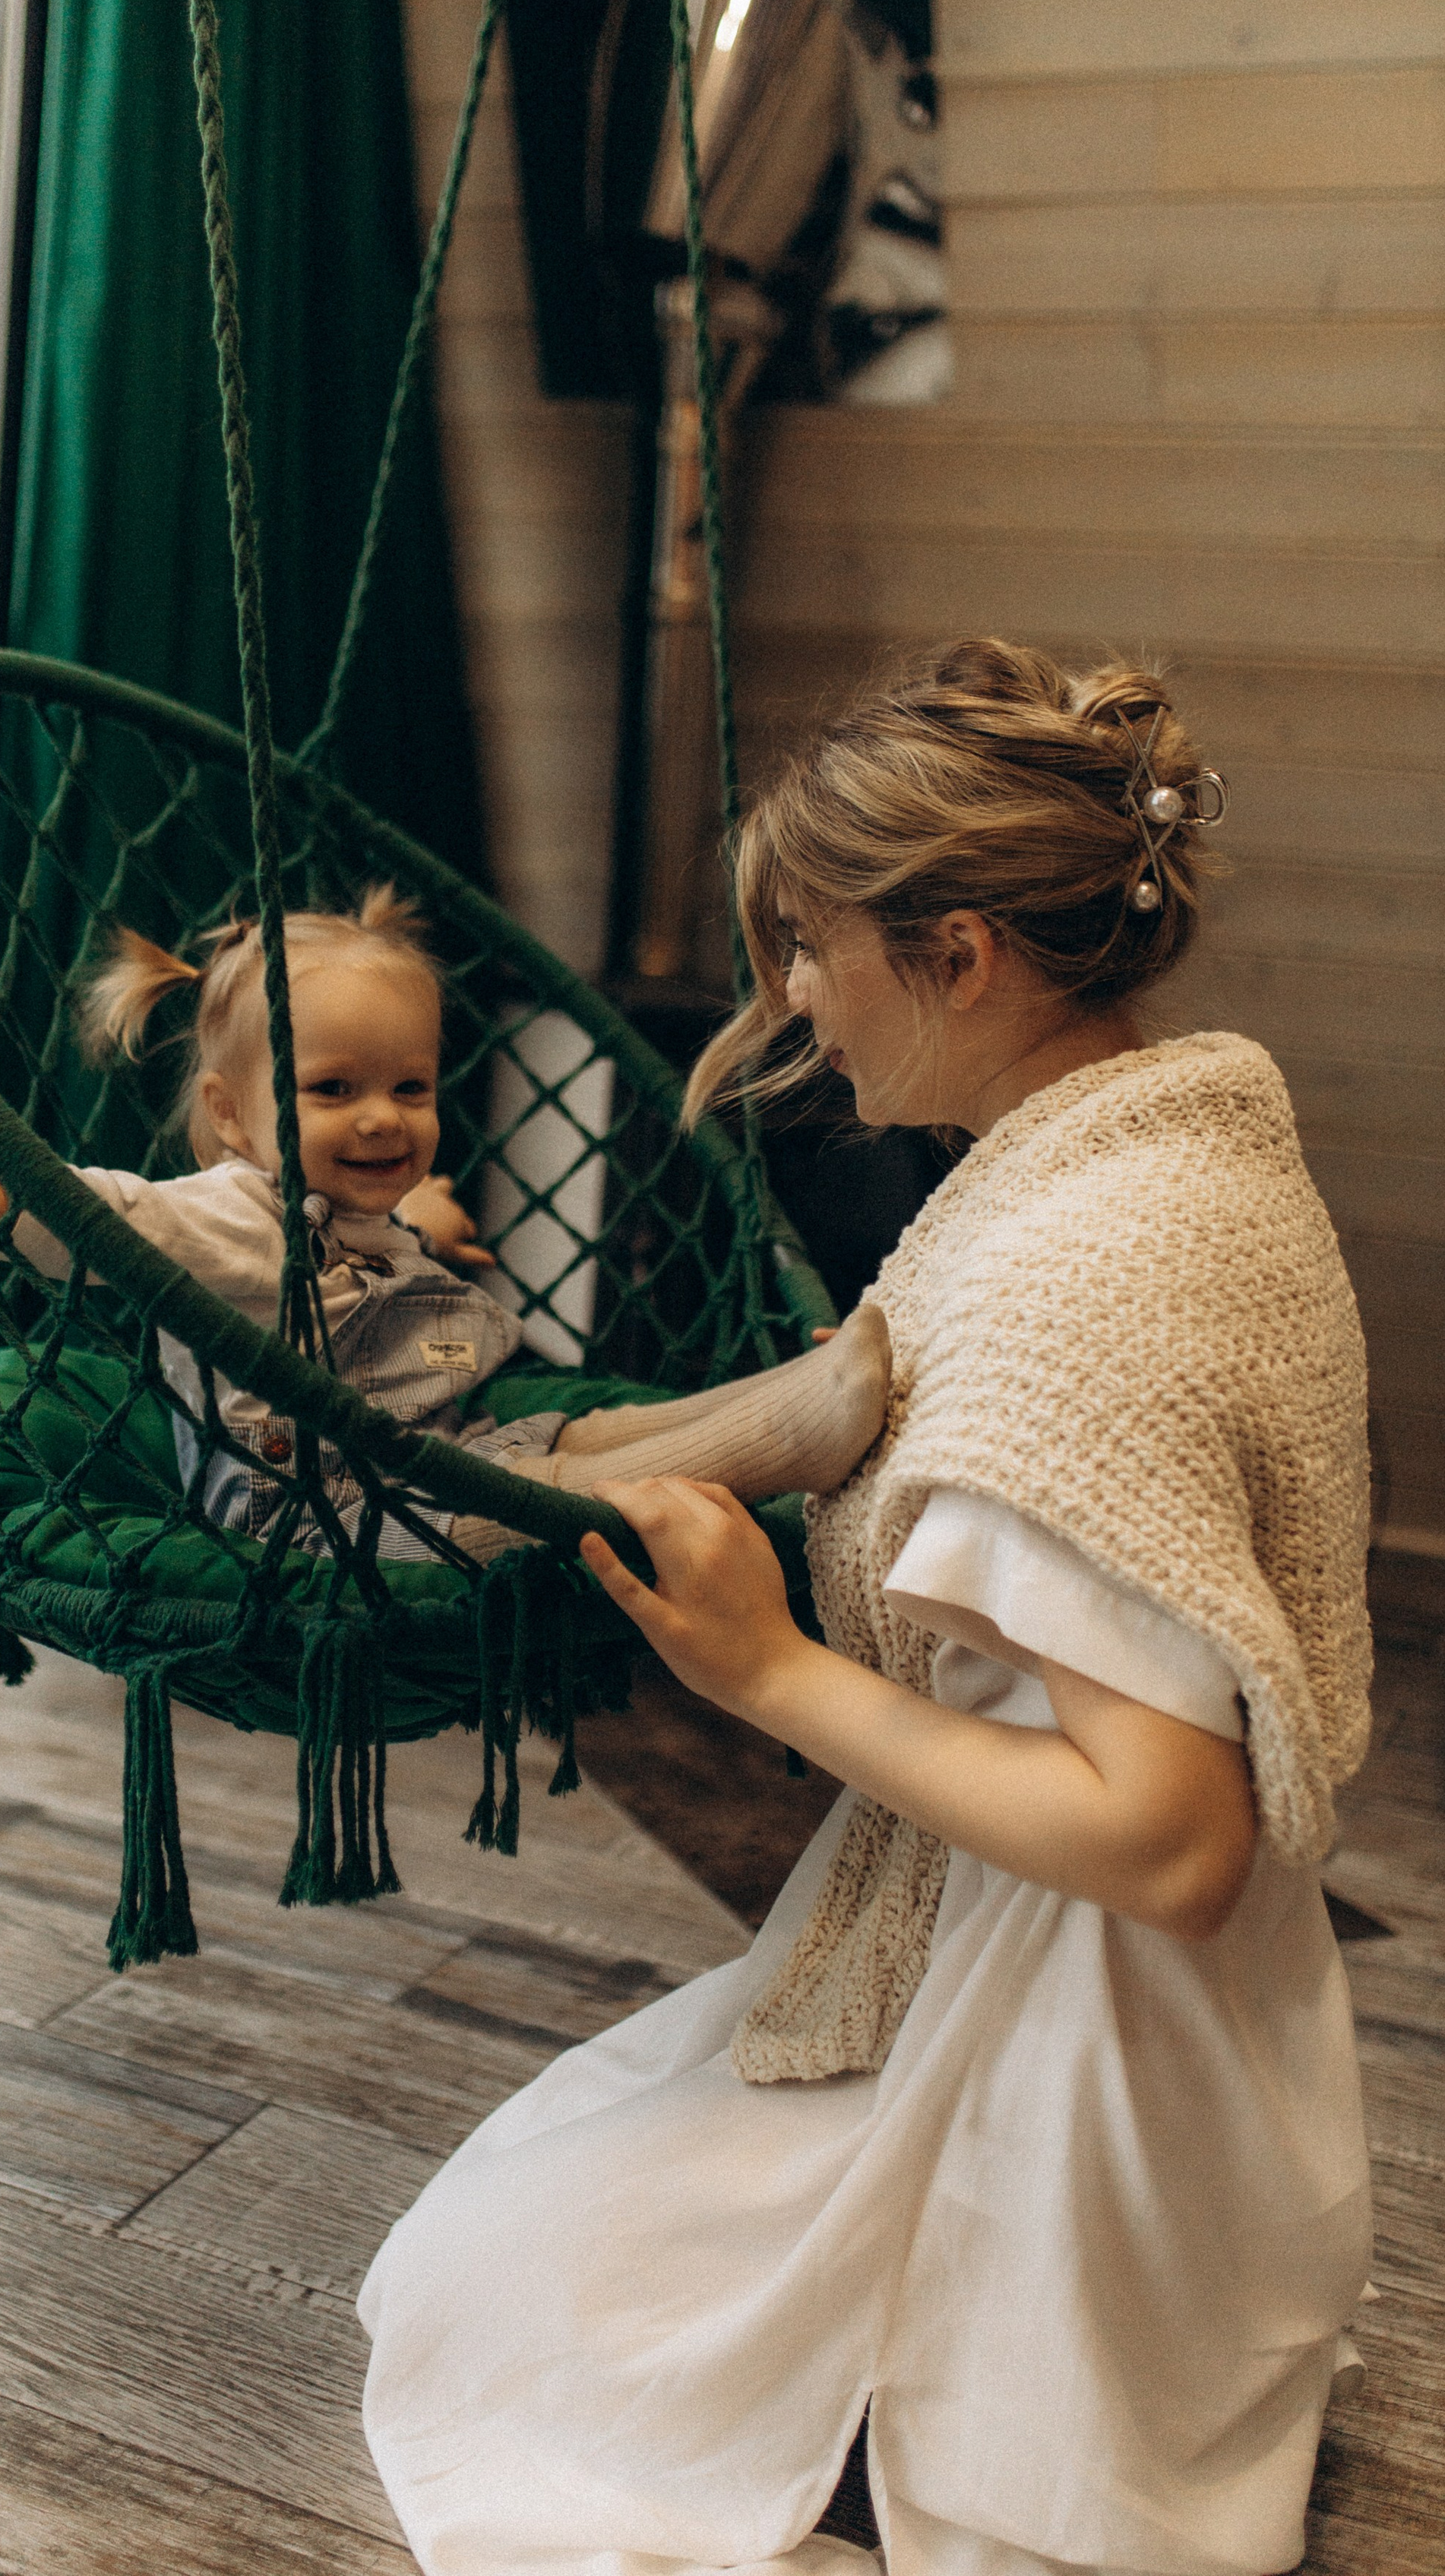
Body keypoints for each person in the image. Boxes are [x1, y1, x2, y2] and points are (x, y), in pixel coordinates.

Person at [356, 641, 1374, 2576]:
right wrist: (546, 1462)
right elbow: (870, 1369)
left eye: (809, 944)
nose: (790, 996)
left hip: (1080, 2071)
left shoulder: (1077, 1302)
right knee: (545, 2230)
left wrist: (762, 1669)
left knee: (516, 2317)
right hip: (1201, 2044)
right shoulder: (1160, 1149)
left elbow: (1163, 1841)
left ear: (963, 954)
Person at [0, 887, 890, 1562]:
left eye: (410, 1087)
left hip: (424, 1447)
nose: (383, 1117)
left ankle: (793, 1386)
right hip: (312, 1515)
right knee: (551, 1490)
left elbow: (372, 1258)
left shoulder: (342, 1208)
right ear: (234, 1114)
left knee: (576, 1433)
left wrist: (413, 1219)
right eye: (333, 1089)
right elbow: (109, 1218)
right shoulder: (228, 1217)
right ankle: (786, 1442)